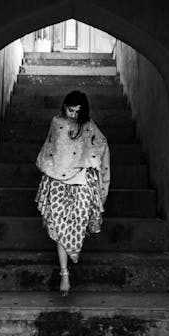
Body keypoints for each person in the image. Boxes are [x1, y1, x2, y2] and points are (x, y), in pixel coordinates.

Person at [35, 90, 111, 296]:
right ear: (64, 106)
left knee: (77, 223)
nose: (74, 115)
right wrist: (50, 171)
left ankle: (69, 263)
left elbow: (101, 145)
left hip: (81, 182)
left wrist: (91, 165)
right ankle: (64, 274)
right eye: (70, 110)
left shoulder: (88, 126)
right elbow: (51, 149)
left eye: (78, 112)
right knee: (59, 226)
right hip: (57, 181)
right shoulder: (56, 123)